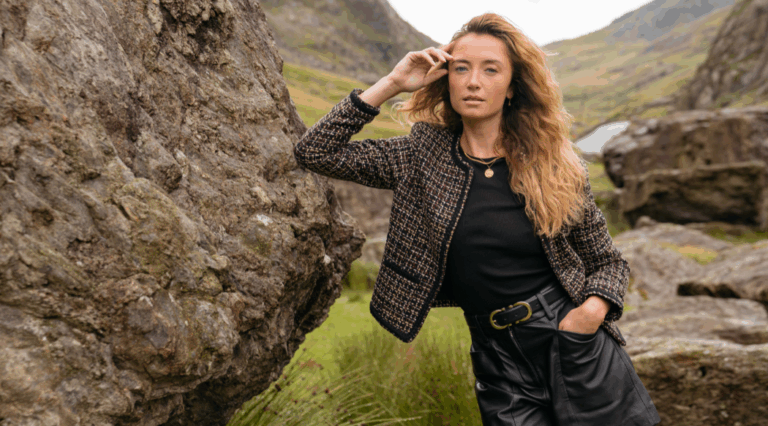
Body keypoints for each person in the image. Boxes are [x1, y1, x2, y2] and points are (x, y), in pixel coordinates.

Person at [293, 12, 661, 426]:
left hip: (573, 341)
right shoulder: (419, 158)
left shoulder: (554, 167)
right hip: (496, 358)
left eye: (490, 70)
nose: (472, 81)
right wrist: (393, 83)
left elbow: (608, 262)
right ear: (445, 79)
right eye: (461, 68)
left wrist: (588, 315)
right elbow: (316, 152)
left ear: (510, 89)